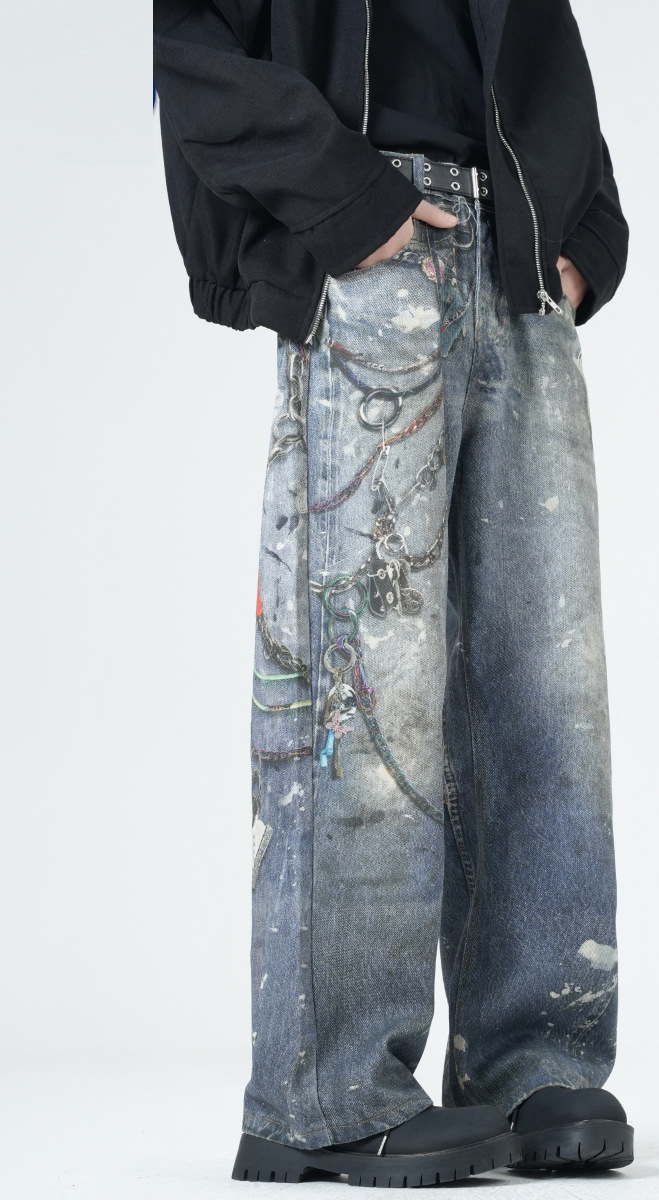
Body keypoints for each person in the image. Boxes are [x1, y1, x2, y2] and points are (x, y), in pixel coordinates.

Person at [153, 0, 632, 1185]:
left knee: (545, 689)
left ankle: (531, 1061)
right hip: (372, 251)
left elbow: (546, 55)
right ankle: (324, 1093)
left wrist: (585, 231)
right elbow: (194, 58)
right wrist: (349, 204)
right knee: (363, 693)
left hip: (519, 265)